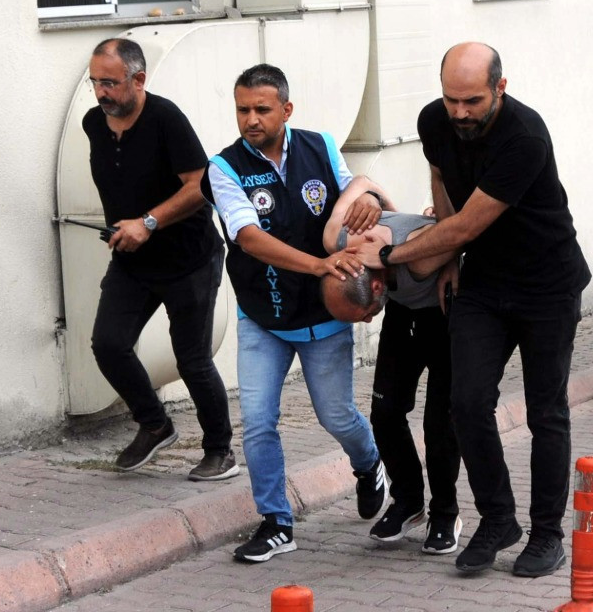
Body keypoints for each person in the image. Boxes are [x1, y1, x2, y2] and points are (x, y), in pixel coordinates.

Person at [359, 42, 591, 578]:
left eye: (472, 101)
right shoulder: (434, 121)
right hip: (484, 284)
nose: (459, 112)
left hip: (546, 286)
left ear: (500, 89)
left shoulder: (524, 137)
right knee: (464, 405)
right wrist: (445, 261)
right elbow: (442, 183)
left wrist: (393, 254)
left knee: (545, 413)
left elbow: (468, 223)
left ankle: (548, 534)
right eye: (450, 99)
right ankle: (497, 519)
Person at [202, 63, 387, 564]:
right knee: (259, 421)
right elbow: (248, 237)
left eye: (262, 109)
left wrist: (366, 200)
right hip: (264, 318)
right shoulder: (222, 169)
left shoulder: (320, 146)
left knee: (337, 416)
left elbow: (354, 193)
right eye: (243, 109)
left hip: (326, 320)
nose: (251, 119)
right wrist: (317, 263)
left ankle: (369, 465)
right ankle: (276, 521)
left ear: (286, 109)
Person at [82, 38, 237, 482]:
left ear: (139, 79)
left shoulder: (166, 119)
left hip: (188, 259)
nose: (101, 92)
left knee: (192, 359)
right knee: (108, 344)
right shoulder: (94, 123)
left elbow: (200, 185)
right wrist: (122, 227)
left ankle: (220, 450)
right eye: (95, 82)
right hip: (132, 260)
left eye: (110, 83)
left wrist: (147, 223)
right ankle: (155, 424)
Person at [319, 181, 464, 556]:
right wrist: (370, 198)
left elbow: (458, 234)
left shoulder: (418, 258)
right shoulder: (337, 239)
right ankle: (408, 501)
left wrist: (449, 261)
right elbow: (362, 181)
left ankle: (445, 513)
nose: (367, 322)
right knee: (385, 412)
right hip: (405, 312)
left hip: (445, 310)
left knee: (439, 421)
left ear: (378, 284)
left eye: (365, 314)